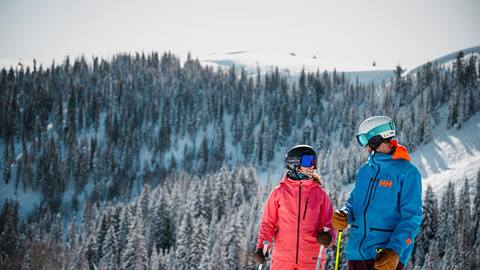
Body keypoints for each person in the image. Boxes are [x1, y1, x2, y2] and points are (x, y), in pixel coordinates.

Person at [332, 116, 422, 270]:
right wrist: (345, 214)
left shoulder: (407, 173)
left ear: (376, 139)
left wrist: (395, 249)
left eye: (365, 140)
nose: (365, 146)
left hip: (384, 258)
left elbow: (412, 217)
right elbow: (354, 202)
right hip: (356, 254)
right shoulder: (365, 170)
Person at [253, 145, 336, 270]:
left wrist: (329, 236)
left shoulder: (320, 194)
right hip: (283, 260)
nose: (312, 166)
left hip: (311, 260)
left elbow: (329, 223)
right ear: (294, 163)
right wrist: (262, 248)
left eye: (314, 161)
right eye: (308, 161)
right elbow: (268, 224)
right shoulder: (279, 192)